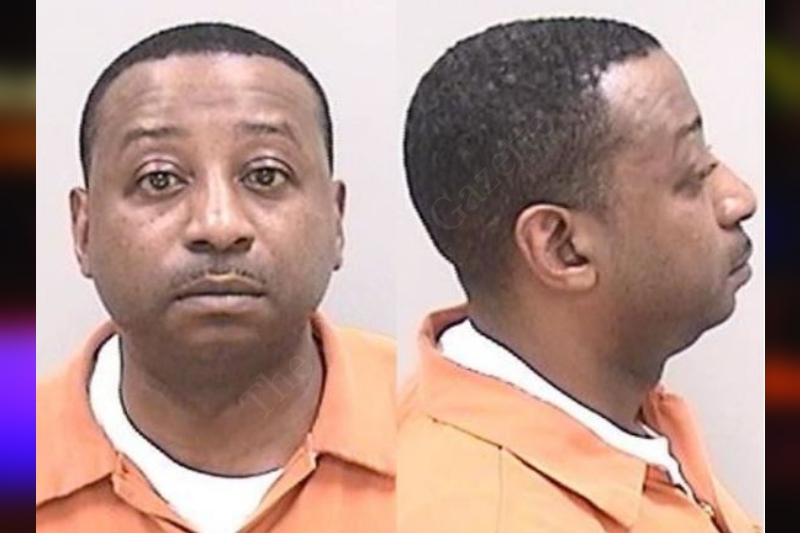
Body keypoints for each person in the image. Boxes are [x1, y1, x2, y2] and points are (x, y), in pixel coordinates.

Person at [399, 17, 759, 533]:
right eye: (692, 174)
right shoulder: (491, 515)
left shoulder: (618, 403)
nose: (739, 198)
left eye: (710, 159)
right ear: (563, 249)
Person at [36, 22, 395, 533]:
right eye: (159, 178)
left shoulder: (429, 434)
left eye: (266, 174)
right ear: (84, 230)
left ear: (336, 219)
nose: (218, 225)